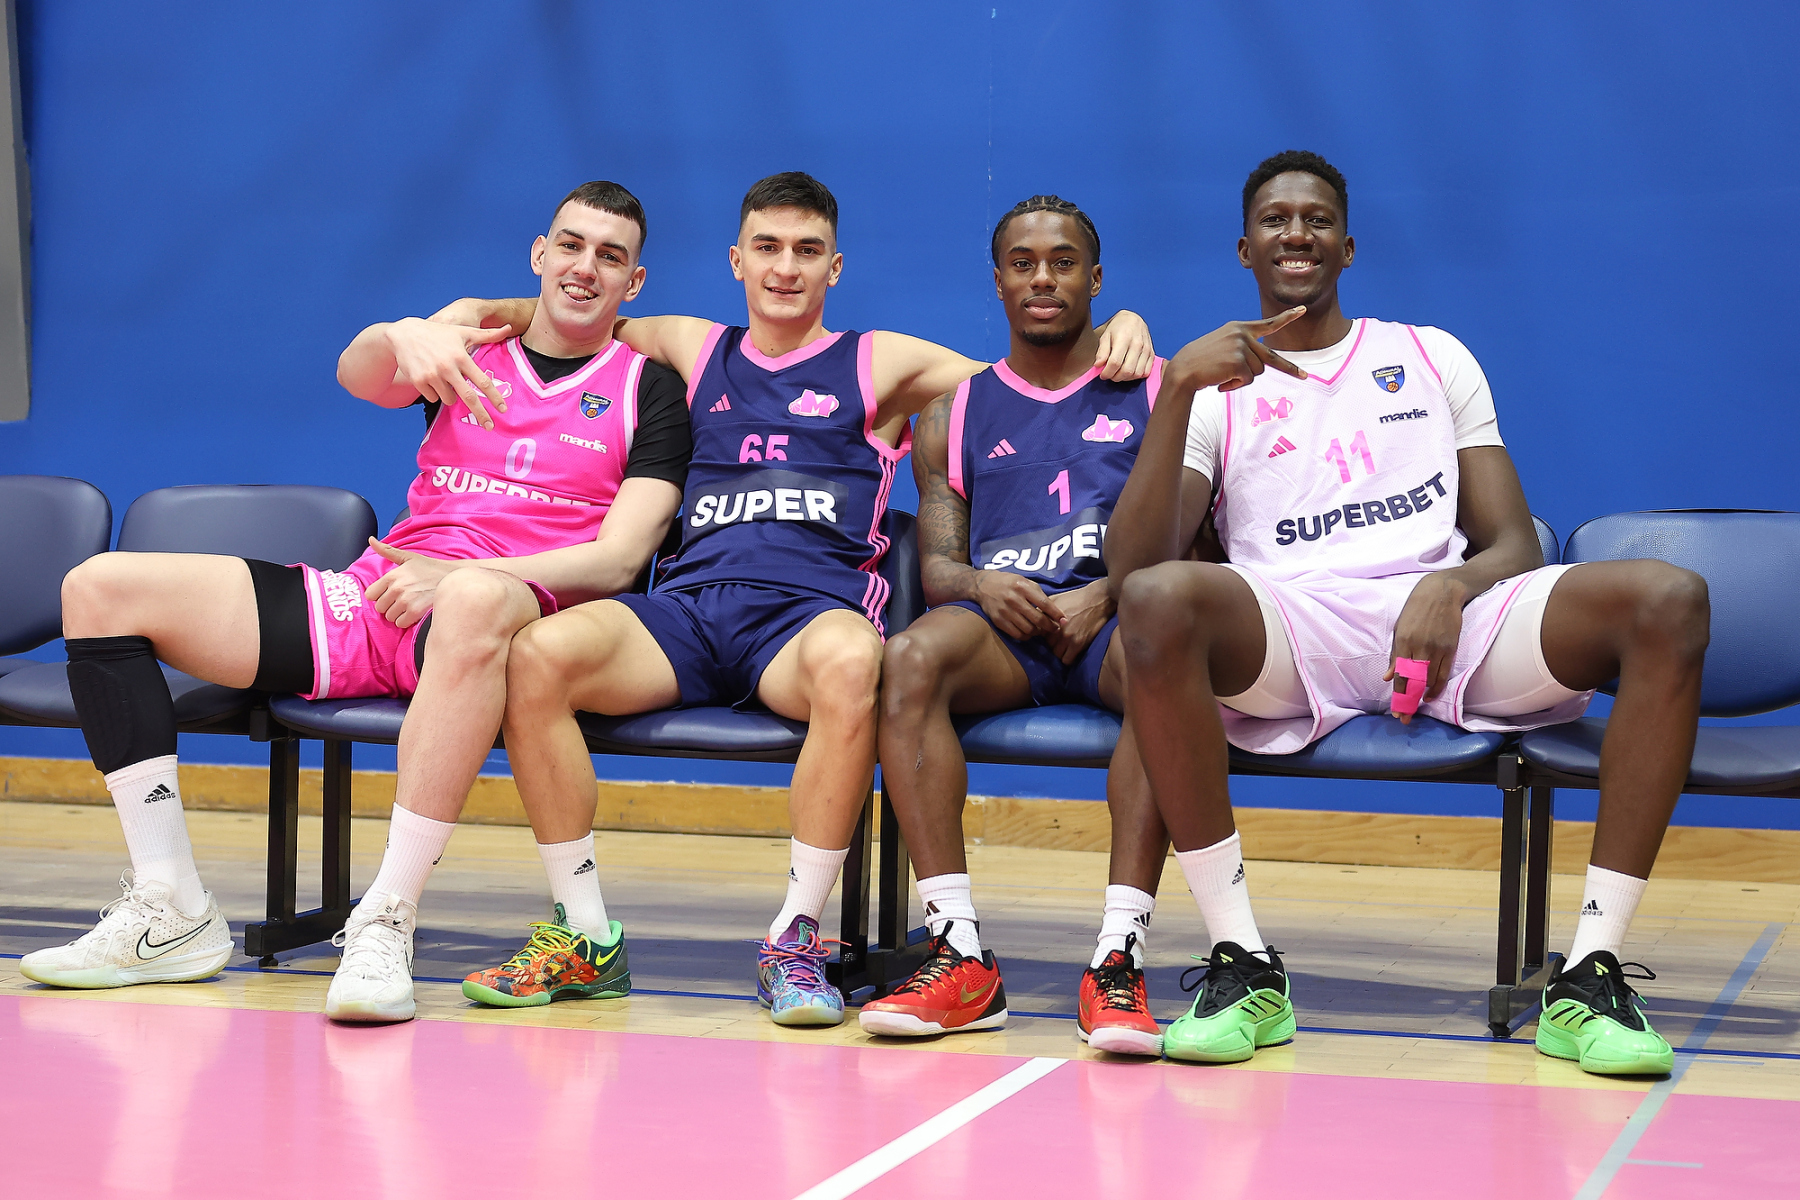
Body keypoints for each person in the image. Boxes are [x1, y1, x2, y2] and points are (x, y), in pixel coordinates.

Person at [446, 172, 1154, 1024]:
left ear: (834, 268)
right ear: (737, 260)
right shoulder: (694, 345)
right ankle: (585, 935)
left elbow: (1034, 377)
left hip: (805, 619)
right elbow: (571, 313)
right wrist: (464, 315)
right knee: (538, 655)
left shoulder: (877, 362)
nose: (786, 268)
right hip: (689, 611)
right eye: (769, 248)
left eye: (807, 251)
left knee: (856, 661)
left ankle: (794, 939)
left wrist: (1123, 328)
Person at [23, 182, 692, 1028]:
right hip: (382, 594)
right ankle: (171, 908)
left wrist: (460, 579)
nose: (585, 267)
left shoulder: (649, 391)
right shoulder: (467, 346)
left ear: (634, 281)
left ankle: (385, 919)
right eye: (570, 244)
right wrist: (402, 331)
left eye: (610, 255)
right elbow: (357, 373)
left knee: (475, 600)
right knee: (98, 587)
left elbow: (620, 558)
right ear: (539, 252)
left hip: (502, 612)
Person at [1106, 150, 1708, 1075]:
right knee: (1155, 600)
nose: (1296, 233)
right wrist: (1179, 387)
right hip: (1294, 628)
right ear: (1244, 249)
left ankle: (1590, 974)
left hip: (1449, 626)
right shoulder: (1215, 390)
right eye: (1275, 220)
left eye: (1316, 219)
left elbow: (1512, 540)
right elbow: (1133, 565)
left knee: (1668, 598)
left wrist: (1451, 586)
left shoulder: (1430, 355)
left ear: (1348, 247)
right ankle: (1244, 962)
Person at [857, 195, 1172, 1056]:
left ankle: (1118, 957)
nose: (1043, 279)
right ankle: (958, 953)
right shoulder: (951, 412)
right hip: (1006, 632)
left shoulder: (1157, 388)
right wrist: (981, 585)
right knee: (908, 657)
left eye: (1063, 262)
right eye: (1024, 264)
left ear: (1096, 279)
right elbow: (939, 566)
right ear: (997, 281)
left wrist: (1107, 592)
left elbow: (1198, 544)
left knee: (1166, 662)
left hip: (1114, 625)